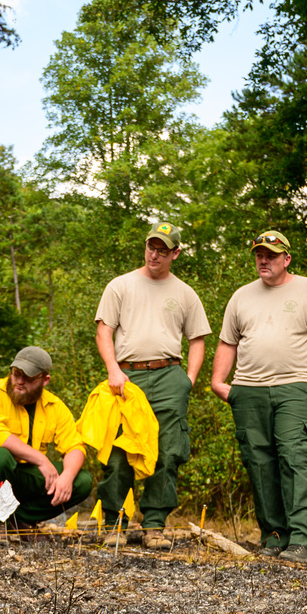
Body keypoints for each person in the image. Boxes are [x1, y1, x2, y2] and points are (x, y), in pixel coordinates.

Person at [212, 231, 307, 564]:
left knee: (294, 457)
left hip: (294, 387)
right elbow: (228, 342)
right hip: (247, 388)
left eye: (271, 254)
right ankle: (274, 534)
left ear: (287, 258)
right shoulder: (241, 296)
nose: (263, 260)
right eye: (259, 254)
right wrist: (218, 381)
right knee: (258, 461)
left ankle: (302, 540)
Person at [94, 221, 211, 550]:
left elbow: (198, 340)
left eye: (162, 250)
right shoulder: (120, 286)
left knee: (167, 450)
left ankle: (155, 525)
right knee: (119, 450)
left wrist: (188, 380)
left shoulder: (185, 293)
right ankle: (115, 522)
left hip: (169, 375)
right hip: (127, 377)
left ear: (175, 253)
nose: (154, 254)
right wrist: (113, 370)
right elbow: (104, 332)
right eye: (151, 247)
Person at [0, 346, 93, 541]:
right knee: (0, 458)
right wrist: (42, 460)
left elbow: (75, 446)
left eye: (28, 377)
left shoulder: (55, 406)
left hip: (25, 477)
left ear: (45, 380)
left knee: (82, 481)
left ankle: (18, 520)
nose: (19, 381)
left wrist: (67, 476)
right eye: (16, 373)